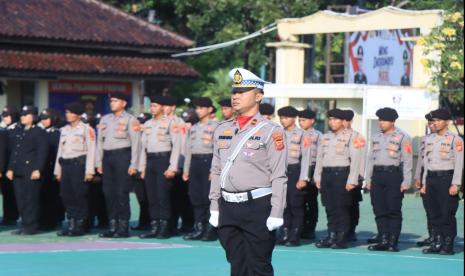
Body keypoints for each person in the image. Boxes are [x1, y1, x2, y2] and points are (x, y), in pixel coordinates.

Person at [209, 68, 287, 275]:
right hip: (228, 206)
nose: (235, 96)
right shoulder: (222, 128)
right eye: (234, 92)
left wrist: (276, 212)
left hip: (258, 207)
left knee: (258, 265)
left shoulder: (271, 131)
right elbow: (216, 170)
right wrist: (214, 205)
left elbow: (279, 175)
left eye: (242, 92)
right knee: (236, 263)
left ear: (258, 95)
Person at [314, 108, 364, 249]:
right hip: (327, 175)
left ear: (343, 121)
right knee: (329, 207)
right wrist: (317, 177)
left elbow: (356, 160)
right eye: (330, 119)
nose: (332, 122)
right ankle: (331, 236)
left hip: (342, 174)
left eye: (336, 119)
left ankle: (341, 237)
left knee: (341, 208)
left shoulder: (352, 136)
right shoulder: (325, 137)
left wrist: (352, 180)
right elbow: (319, 158)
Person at [366, 107, 413, 252]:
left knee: (393, 209)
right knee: (379, 209)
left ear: (393, 121)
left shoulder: (403, 137)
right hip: (377, 176)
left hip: (393, 175)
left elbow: (407, 160)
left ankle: (393, 241)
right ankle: (383, 239)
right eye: (380, 120)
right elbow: (370, 159)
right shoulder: (375, 137)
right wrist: (368, 178)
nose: (381, 123)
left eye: (385, 120)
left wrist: (406, 181)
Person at [96, 93, 140, 238]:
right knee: (109, 193)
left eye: (115, 101)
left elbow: (136, 144)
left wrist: (134, 164)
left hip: (123, 156)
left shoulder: (130, 119)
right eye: (111, 101)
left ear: (124, 103)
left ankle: (123, 227)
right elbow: (100, 142)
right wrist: (98, 161)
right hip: (107, 158)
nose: (112, 103)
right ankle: (112, 226)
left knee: (121, 192)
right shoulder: (105, 119)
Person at [138, 96, 182, 239]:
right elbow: (143, 147)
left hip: (164, 159)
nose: (152, 108)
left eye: (155, 106)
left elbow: (177, 146)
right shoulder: (148, 124)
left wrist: (173, 167)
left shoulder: (170, 123)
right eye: (151, 106)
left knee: (163, 196)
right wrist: (142, 167)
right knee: (152, 196)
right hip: (150, 161)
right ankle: (154, 226)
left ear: (163, 107)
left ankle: (164, 227)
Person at [422, 109, 463, 255]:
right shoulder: (428, 139)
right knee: (434, 213)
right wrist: (424, 183)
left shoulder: (455, 139)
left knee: (447, 213)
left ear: (447, 122)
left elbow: (459, 164)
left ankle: (447, 244)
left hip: (447, 179)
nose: (435, 123)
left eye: (438, 121)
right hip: (431, 179)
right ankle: (437, 242)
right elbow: (426, 163)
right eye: (433, 121)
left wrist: (456, 184)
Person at [55, 103, 96, 236]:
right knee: (66, 195)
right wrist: (58, 171)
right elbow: (60, 152)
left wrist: (89, 171)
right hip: (65, 166)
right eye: (67, 112)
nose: (68, 115)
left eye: (71, 112)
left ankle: (80, 224)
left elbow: (92, 151)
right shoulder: (64, 130)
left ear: (78, 114)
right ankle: (71, 223)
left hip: (79, 166)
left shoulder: (86, 129)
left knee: (79, 195)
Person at [6, 105, 47, 235]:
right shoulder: (21, 132)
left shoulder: (39, 132)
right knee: (20, 199)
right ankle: (24, 224)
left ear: (33, 117)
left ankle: (31, 226)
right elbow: (15, 152)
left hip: (31, 171)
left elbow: (42, 153)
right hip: (18, 171)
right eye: (22, 115)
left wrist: (38, 169)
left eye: (26, 115)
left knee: (31, 200)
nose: (22, 117)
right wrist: (10, 168)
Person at [182, 97, 219, 241]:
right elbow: (188, 150)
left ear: (210, 110)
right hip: (195, 163)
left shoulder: (217, 126)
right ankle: (199, 228)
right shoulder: (193, 128)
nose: (198, 111)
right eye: (197, 108)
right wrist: (186, 170)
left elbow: (218, 150)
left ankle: (210, 229)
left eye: (201, 108)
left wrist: (214, 169)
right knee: (196, 196)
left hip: (208, 161)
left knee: (208, 197)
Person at [276, 106, 309, 247]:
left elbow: (306, 158)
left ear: (293, 118)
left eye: (286, 118)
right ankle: (284, 233)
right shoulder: (277, 134)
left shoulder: (303, 134)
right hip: (280, 172)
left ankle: (295, 235)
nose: (283, 121)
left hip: (295, 171)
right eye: (281, 118)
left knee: (295, 205)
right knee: (283, 205)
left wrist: (303, 178)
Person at [163, 95, 194, 235]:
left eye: (167, 105)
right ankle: (168, 224)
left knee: (179, 197)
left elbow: (182, 146)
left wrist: (179, 167)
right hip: (162, 162)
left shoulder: (179, 123)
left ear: (173, 107)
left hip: (177, 164)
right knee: (165, 197)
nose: (164, 108)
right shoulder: (158, 122)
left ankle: (183, 224)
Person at [342, 109, 366, 242]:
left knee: (352, 204)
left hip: (354, 176)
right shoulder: (333, 136)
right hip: (339, 175)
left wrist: (359, 177)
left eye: (346, 120)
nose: (343, 123)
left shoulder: (357, 137)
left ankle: (351, 230)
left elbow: (360, 158)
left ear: (350, 121)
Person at [38, 108, 64, 230]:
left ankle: (53, 220)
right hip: (42, 170)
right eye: (42, 119)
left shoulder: (57, 133)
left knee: (53, 196)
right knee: (41, 196)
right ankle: (42, 219)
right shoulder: (40, 132)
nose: (43, 121)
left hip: (53, 169)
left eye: (46, 118)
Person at [298, 109, 321, 240]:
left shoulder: (318, 136)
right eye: (299, 120)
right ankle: (299, 227)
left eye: (304, 120)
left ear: (312, 121)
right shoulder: (296, 134)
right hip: (298, 168)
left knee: (311, 201)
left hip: (312, 168)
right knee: (298, 201)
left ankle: (310, 228)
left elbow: (320, 155)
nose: (301, 123)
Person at [415, 113, 436, 247]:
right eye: (430, 123)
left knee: (440, 210)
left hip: (440, 176)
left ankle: (441, 237)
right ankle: (432, 235)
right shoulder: (425, 139)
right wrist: (418, 177)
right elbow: (421, 161)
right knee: (429, 209)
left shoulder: (452, 139)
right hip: (425, 176)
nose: (432, 125)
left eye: (434, 122)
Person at [131, 112, 152, 231]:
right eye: (140, 122)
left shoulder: (150, 135)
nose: (141, 125)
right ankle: (143, 221)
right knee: (141, 198)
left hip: (147, 169)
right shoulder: (135, 135)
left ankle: (151, 222)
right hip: (136, 170)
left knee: (150, 198)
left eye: (144, 122)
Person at [0, 106, 20, 226]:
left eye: (7, 116)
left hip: (13, 167)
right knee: (6, 193)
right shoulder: (3, 129)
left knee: (13, 194)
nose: (5, 118)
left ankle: (13, 216)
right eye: (4, 116)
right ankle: (8, 216)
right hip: (3, 166)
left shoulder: (17, 130)